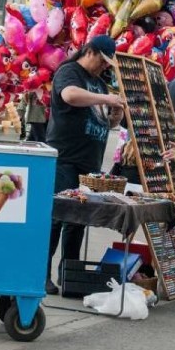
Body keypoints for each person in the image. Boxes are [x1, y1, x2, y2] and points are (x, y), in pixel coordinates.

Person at [44, 35, 125, 295]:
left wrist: (116, 114)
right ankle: (41, 274)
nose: (104, 67)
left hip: (89, 163)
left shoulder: (99, 83)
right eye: (102, 61)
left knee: (77, 220)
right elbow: (69, 96)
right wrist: (107, 100)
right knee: (57, 217)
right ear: (89, 51)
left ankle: (70, 275)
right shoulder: (70, 72)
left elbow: (105, 122)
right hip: (66, 157)